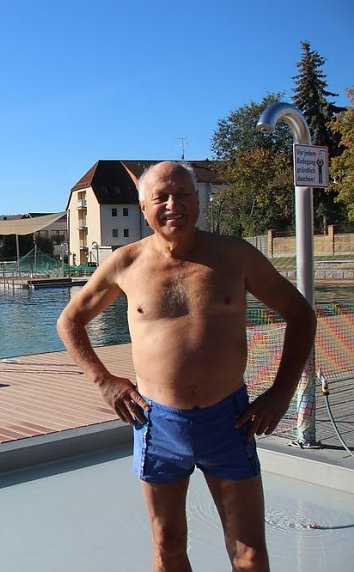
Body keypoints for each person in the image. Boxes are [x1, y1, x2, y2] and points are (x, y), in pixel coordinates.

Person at [57, 161, 316, 571]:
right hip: (158, 423)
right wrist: (103, 381)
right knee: (169, 547)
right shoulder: (126, 263)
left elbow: (300, 315)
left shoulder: (235, 256)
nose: (172, 204)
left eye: (182, 194)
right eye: (161, 197)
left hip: (229, 421)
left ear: (197, 201)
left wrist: (282, 393)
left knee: (249, 554)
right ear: (144, 208)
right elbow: (70, 321)